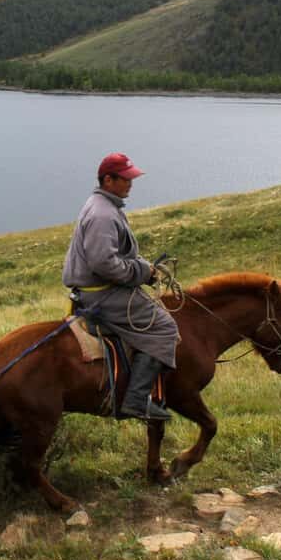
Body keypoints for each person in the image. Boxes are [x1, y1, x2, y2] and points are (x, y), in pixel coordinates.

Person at [62, 153, 179, 421]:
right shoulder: (104, 214)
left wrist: (146, 270)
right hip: (103, 295)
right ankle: (136, 401)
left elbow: (115, 257)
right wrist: (140, 272)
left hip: (100, 290)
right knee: (165, 327)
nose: (130, 184)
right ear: (108, 179)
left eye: (131, 178)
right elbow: (104, 263)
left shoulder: (103, 205)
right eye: (125, 179)